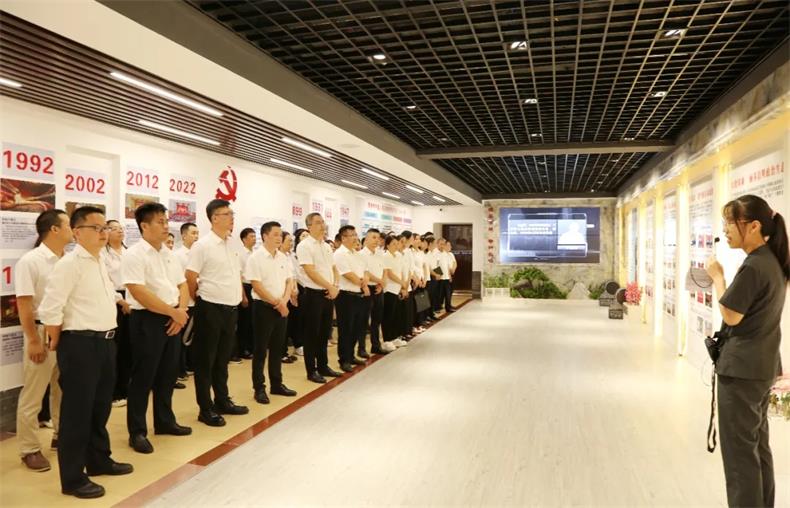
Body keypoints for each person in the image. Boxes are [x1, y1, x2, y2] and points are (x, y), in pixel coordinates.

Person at [39, 206, 133, 499]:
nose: (104, 233)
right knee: (77, 413)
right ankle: (72, 478)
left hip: (105, 343)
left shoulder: (99, 260)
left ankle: (98, 460)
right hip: (79, 344)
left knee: (100, 407)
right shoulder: (69, 264)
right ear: (77, 232)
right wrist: (57, 337)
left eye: (105, 227)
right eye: (97, 228)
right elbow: (51, 306)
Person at [705, 195, 788, 508]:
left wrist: (718, 278)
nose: (726, 229)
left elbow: (731, 315)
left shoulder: (754, 265)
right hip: (761, 368)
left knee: (740, 458)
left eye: (731, 222)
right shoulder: (771, 262)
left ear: (753, 226)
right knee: (756, 448)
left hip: (741, 372)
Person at [123, 203, 191, 454]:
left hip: (173, 317)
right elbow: (138, 291)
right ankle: (137, 431)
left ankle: (164, 421)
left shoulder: (168, 253)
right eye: (160, 222)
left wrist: (180, 312)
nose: (166, 226)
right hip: (147, 320)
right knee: (143, 376)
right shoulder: (134, 254)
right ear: (144, 225)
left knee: (167, 374)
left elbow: (183, 285)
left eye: (166, 221)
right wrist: (173, 313)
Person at [15, 209, 72, 472]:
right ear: (54, 229)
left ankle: (61, 435)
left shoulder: (68, 259)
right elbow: (24, 304)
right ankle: (29, 449)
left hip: (67, 330)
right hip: (41, 331)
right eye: (68, 224)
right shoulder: (31, 261)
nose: (72, 229)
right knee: (34, 394)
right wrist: (33, 340)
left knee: (63, 389)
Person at [185, 199, 249, 427]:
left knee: (223, 359)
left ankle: (222, 400)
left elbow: (236, 274)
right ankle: (205, 408)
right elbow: (190, 276)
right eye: (226, 214)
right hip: (210, 308)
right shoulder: (202, 245)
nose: (231, 218)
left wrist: (240, 295)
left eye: (232, 213)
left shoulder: (233, 244)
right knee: (206, 361)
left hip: (230, 309)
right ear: (214, 218)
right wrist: (200, 300)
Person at [245, 221, 297, 404]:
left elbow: (289, 281)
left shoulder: (283, 257)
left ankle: (277, 384)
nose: (279, 238)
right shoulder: (256, 258)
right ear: (265, 236)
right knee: (260, 350)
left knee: (277, 348)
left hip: (281, 307)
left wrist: (284, 301)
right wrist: (277, 303)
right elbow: (256, 285)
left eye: (280, 234)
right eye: (275, 234)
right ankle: (259, 388)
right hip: (263, 308)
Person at [296, 213, 342, 384]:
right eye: (317, 223)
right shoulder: (304, 246)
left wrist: (334, 285)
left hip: (328, 293)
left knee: (324, 332)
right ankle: (311, 370)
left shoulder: (326, 246)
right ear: (309, 226)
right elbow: (310, 271)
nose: (322, 225)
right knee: (312, 334)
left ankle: (323, 366)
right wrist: (329, 286)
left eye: (323, 222)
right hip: (313, 294)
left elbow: (334, 268)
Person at [102, 220, 132, 407]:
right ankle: (113, 393)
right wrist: (120, 301)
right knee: (115, 348)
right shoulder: (103, 254)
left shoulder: (129, 253)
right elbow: (106, 283)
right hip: (114, 301)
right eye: (114, 228)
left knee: (129, 348)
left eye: (121, 228)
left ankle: (125, 388)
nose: (119, 231)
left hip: (132, 297)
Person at [333, 225, 370, 372]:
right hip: (345, 296)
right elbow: (348, 274)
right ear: (343, 238)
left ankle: (351, 355)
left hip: (358, 294)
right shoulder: (339, 254)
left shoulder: (357, 253)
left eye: (356, 234)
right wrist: (363, 284)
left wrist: (365, 281)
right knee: (346, 329)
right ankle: (344, 359)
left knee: (356, 327)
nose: (355, 238)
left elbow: (365, 270)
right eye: (352, 235)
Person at [359, 228, 392, 354]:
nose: (376, 240)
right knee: (364, 320)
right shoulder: (361, 254)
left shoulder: (380, 253)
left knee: (377, 319)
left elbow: (384, 270)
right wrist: (380, 281)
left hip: (379, 288)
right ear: (366, 239)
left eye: (378, 238)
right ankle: (361, 348)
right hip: (367, 288)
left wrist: (382, 283)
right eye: (373, 237)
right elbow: (366, 272)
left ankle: (376, 345)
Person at [174, 222, 199, 377]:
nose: (196, 236)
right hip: (185, 301)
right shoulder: (178, 255)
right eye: (193, 233)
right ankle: (179, 369)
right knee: (182, 337)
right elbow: (180, 281)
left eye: (197, 233)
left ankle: (190, 365)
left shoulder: (198, 253)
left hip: (198, 299)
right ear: (183, 236)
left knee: (193, 337)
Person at [381, 235, 408, 350]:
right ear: (387, 245)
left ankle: (395, 337)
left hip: (397, 288)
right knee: (388, 316)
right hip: (389, 289)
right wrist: (402, 283)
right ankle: (387, 340)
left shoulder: (398, 255)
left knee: (396, 315)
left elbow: (401, 271)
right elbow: (390, 274)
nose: (396, 246)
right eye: (393, 244)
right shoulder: (385, 256)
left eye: (397, 244)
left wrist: (403, 287)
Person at [236, 227, 257, 361]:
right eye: (251, 236)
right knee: (244, 321)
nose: (254, 239)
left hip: (254, 287)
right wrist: (243, 296)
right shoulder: (241, 254)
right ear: (244, 239)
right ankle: (242, 349)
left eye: (255, 236)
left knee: (252, 321)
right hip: (245, 287)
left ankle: (250, 346)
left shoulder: (254, 253)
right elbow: (239, 276)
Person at [279, 231, 299, 364]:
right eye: (288, 241)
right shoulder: (279, 257)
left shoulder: (289, 256)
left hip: (291, 293)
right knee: (281, 328)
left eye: (292, 241)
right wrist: (289, 292)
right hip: (282, 296)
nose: (291, 243)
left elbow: (293, 276)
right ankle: (281, 353)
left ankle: (284, 351)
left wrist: (295, 290)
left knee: (288, 325)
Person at [443, 240, 457, 312]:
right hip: (446, 276)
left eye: (450, 245)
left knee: (451, 291)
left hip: (452, 274)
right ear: (444, 246)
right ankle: (447, 307)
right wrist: (449, 275)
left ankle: (449, 305)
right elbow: (446, 266)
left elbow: (455, 262)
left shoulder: (451, 254)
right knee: (447, 292)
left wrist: (453, 269)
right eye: (448, 245)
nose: (450, 247)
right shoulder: (443, 255)